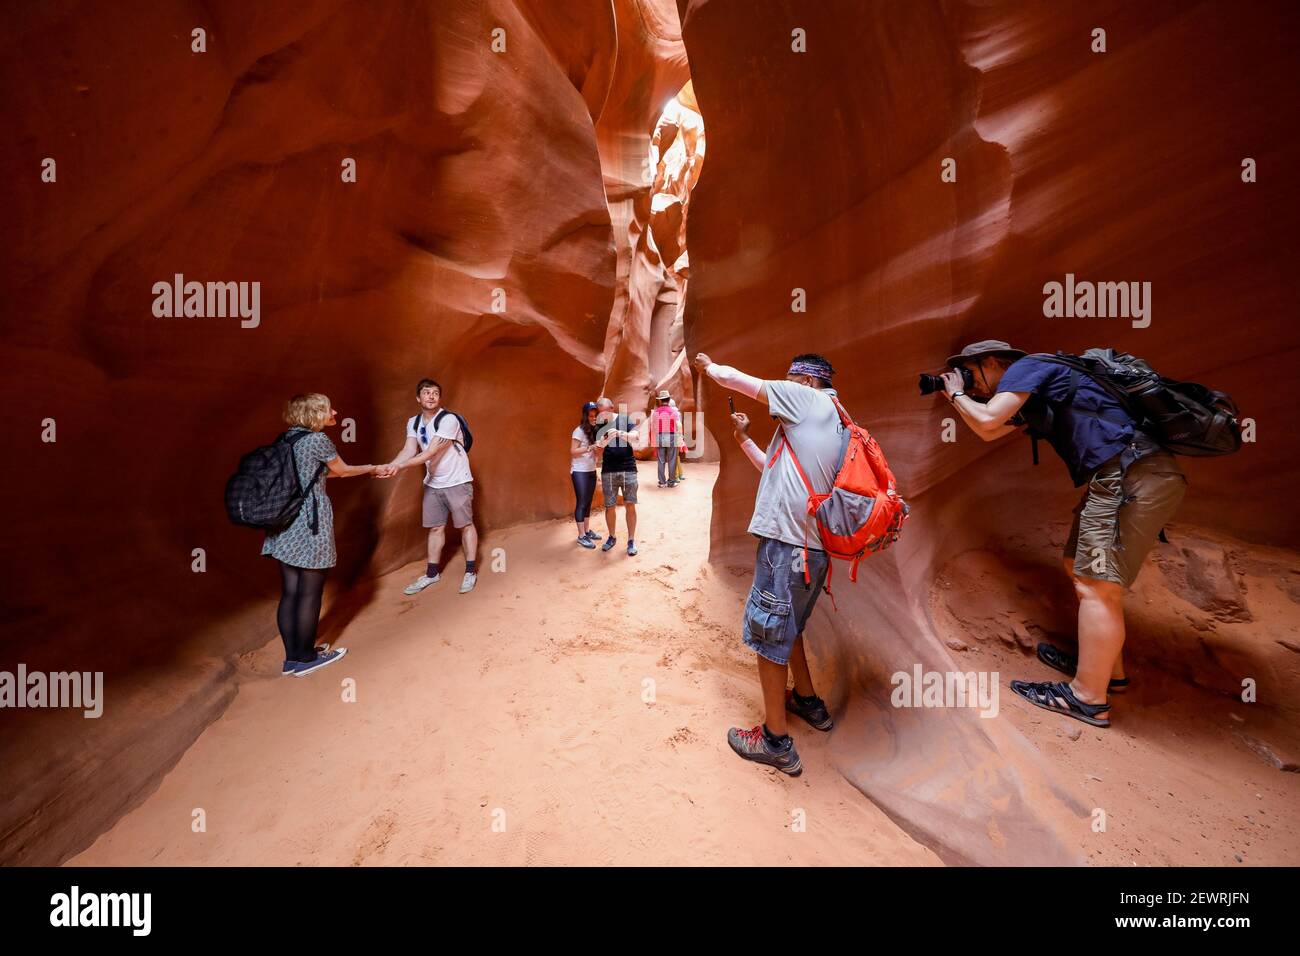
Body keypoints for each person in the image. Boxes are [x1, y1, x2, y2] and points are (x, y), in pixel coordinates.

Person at [940, 339, 1188, 729]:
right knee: (1079, 566)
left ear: (991, 361)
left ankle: (1088, 698)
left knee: (1096, 585)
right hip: (1124, 474)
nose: (972, 385)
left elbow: (987, 418)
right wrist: (959, 396)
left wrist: (954, 393)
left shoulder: (1029, 366)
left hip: (1128, 474)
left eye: (971, 374)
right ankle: (1106, 670)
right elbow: (989, 431)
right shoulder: (1041, 389)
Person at [694, 351, 844, 776]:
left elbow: (741, 380)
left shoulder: (810, 400)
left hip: (787, 544)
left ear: (809, 382)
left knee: (768, 632)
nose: (785, 385)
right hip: (811, 548)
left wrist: (709, 367)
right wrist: (743, 438)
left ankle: (776, 742)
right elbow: (776, 473)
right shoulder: (830, 417)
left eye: (791, 378)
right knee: (789, 624)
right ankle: (808, 702)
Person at [262, 393, 379, 677]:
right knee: (311, 590)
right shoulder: (317, 441)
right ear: (315, 413)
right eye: (329, 409)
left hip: (282, 523)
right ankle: (306, 658)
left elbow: (320, 473)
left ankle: (292, 659)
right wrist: (373, 468)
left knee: (291, 591)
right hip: (308, 523)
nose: (335, 412)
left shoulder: (285, 439)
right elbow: (342, 470)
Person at [377, 379, 479, 596]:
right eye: (426, 393)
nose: (431, 396)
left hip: (457, 481)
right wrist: (393, 465)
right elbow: (408, 449)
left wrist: (399, 468)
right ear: (418, 398)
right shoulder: (413, 422)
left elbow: (430, 452)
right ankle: (432, 574)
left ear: (439, 398)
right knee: (435, 528)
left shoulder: (448, 419)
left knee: (465, 525)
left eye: (435, 393)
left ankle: (470, 570)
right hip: (433, 483)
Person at [594, 396, 641, 556]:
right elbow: (598, 447)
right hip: (608, 469)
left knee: (630, 504)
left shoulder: (624, 419)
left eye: (604, 413)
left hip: (628, 467)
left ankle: (631, 540)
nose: (602, 416)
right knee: (610, 505)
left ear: (612, 409)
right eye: (600, 413)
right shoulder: (599, 425)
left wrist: (620, 433)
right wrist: (604, 441)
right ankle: (612, 536)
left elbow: (636, 437)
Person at [571, 401, 604, 548]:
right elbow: (573, 451)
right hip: (579, 471)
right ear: (585, 416)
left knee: (588, 502)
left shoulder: (594, 431)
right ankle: (581, 536)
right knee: (582, 502)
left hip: (590, 470)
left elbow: (595, 453)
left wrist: (598, 448)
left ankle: (587, 530)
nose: (593, 418)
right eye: (591, 416)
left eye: (595, 416)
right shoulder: (578, 431)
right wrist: (589, 447)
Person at [650, 390, 680, 488]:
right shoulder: (673, 411)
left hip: (660, 436)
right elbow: (677, 425)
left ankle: (662, 482)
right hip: (672, 436)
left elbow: (653, 426)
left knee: (661, 460)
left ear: (660, 400)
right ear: (669, 399)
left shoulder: (656, 412)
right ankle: (671, 482)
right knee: (672, 460)